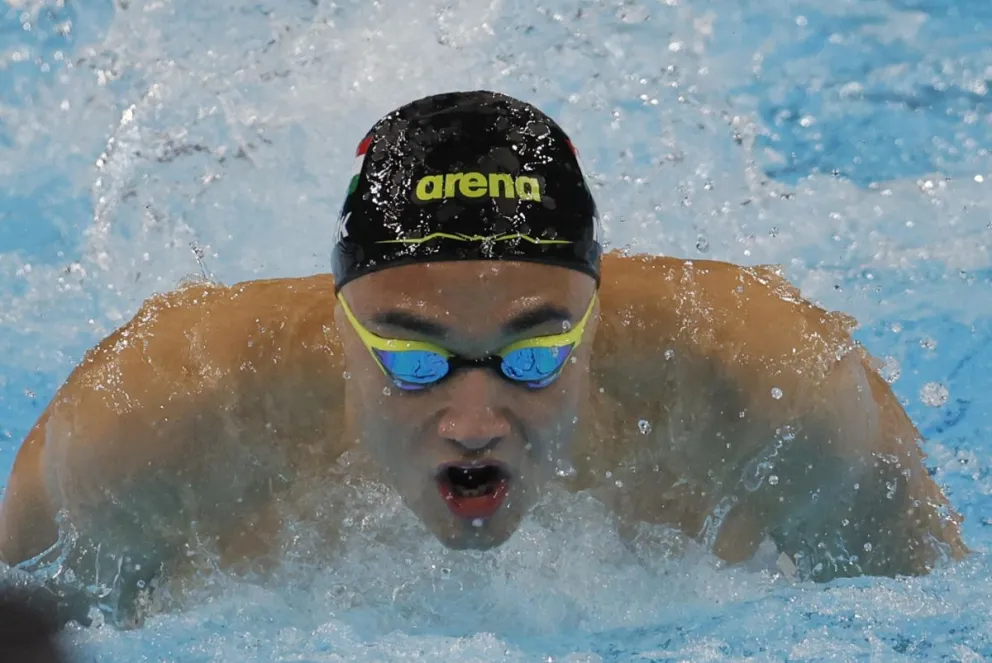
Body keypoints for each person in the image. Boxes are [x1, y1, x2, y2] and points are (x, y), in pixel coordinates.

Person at [0, 91, 968, 625]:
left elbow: (935, 620)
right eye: (413, 361)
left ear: (597, 317)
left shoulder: (768, 386)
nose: (471, 422)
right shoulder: (157, 415)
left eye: (533, 355)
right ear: (337, 324)